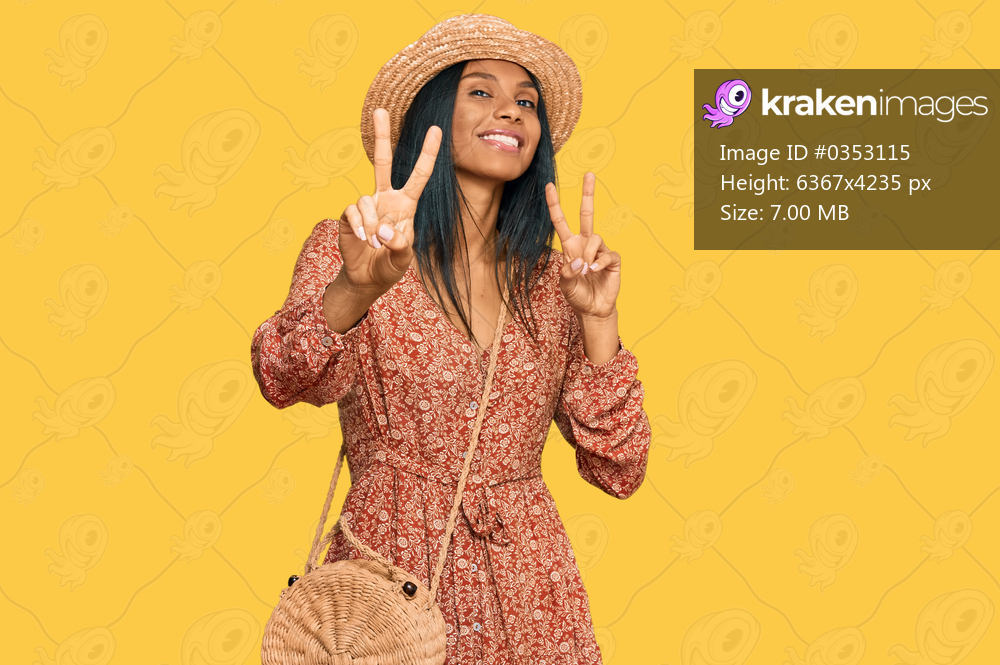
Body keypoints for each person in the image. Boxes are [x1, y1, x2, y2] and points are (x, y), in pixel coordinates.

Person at [251, 14, 651, 665]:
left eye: (527, 101)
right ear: (430, 117)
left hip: (529, 591)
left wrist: (600, 321)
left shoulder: (558, 281)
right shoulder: (352, 246)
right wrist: (356, 288)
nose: (512, 111)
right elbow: (281, 377)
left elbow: (620, 468)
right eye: (482, 91)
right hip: (389, 582)